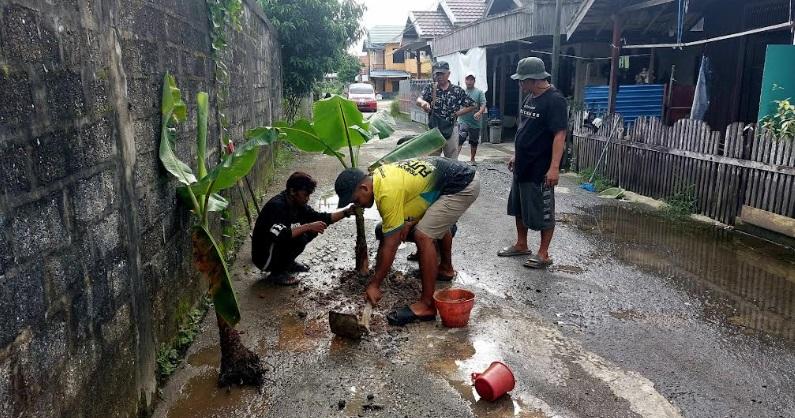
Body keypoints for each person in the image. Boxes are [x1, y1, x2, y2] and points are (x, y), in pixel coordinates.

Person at [334, 157, 480, 326]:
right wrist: (410, 220)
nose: (357, 205)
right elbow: (419, 193)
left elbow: (391, 243)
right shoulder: (380, 175)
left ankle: (427, 305)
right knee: (429, 223)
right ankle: (445, 269)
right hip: (451, 178)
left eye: (356, 200)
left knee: (423, 235)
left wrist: (375, 284)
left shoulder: (387, 193)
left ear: (364, 188)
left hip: (462, 184)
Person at [497, 57, 567, 269]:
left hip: (540, 168)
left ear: (534, 79)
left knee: (544, 212)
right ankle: (521, 244)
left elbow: (559, 135)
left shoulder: (554, 100)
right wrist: (516, 154)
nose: (519, 85)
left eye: (522, 81)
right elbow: (525, 129)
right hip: (522, 165)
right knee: (518, 207)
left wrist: (554, 168)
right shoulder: (530, 97)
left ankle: (543, 253)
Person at [252, 172, 355, 285]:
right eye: (305, 195)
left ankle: (287, 264)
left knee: (311, 230)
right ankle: (277, 273)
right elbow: (281, 235)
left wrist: (346, 212)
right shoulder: (277, 206)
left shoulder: (298, 204)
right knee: (301, 236)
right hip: (264, 257)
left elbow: (322, 218)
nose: (307, 199)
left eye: (309, 195)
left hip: (274, 248)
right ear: (292, 191)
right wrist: (308, 226)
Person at [417, 61, 476, 159]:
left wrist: (458, 113)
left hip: (451, 128)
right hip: (434, 129)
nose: (439, 76)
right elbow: (419, 99)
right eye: (437, 74)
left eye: (442, 74)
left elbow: (473, 105)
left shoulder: (457, 90)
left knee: (451, 159)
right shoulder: (431, 88)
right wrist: (423, 103)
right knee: (432, 159)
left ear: (448, 74)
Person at [458, 72, 487, 165]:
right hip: (463, 120)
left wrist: (479, 112)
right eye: (467, 79)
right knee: (461, 138)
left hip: (475, 121)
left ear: (474, 81)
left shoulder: (479, 92)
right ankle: (454, 159)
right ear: (465, 80)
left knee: (474, 141)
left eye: (471, 79)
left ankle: (472, 159)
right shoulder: (461, 91)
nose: (469, 81)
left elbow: (483, 104)